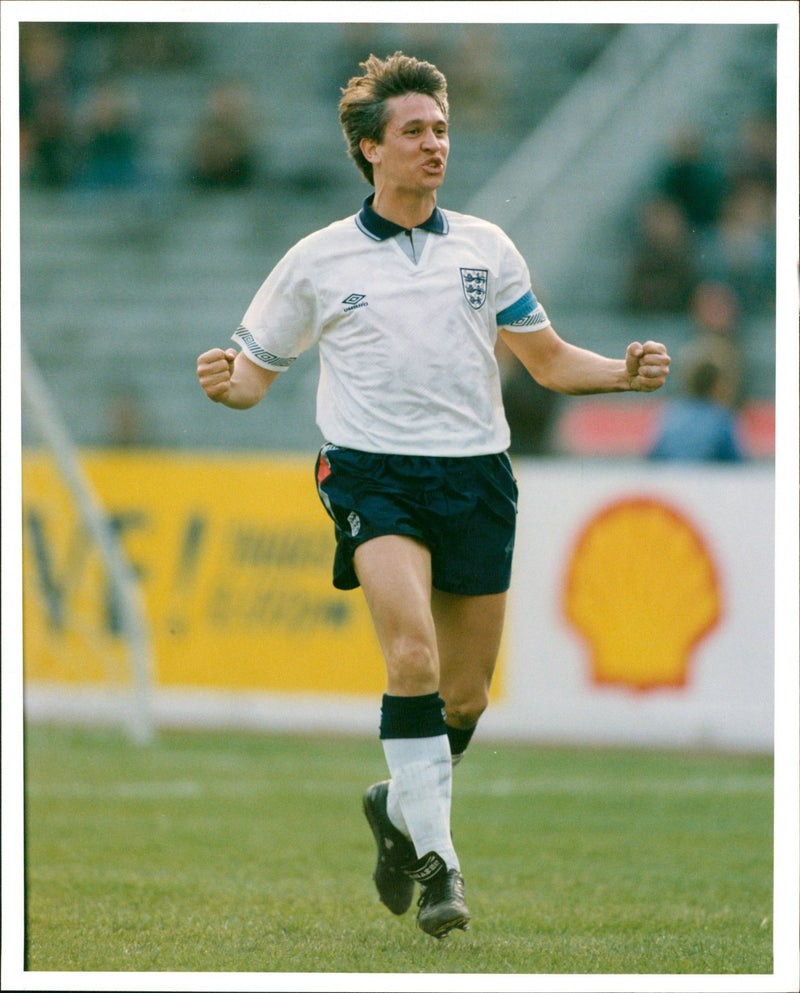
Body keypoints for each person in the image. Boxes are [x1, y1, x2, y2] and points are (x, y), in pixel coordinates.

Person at [196, 52, 670, 939]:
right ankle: (441, 868)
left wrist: (622, 374)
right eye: (414, 131)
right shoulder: (318, 259)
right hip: (372, 473)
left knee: (463, 700)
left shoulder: (486, 248)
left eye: (442, 130)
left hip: (476, 476)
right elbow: (254, 377)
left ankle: (397, 802)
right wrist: (225, 381)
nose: (434, 145)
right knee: (408, 658)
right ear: (370, 149)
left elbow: (548, 358)